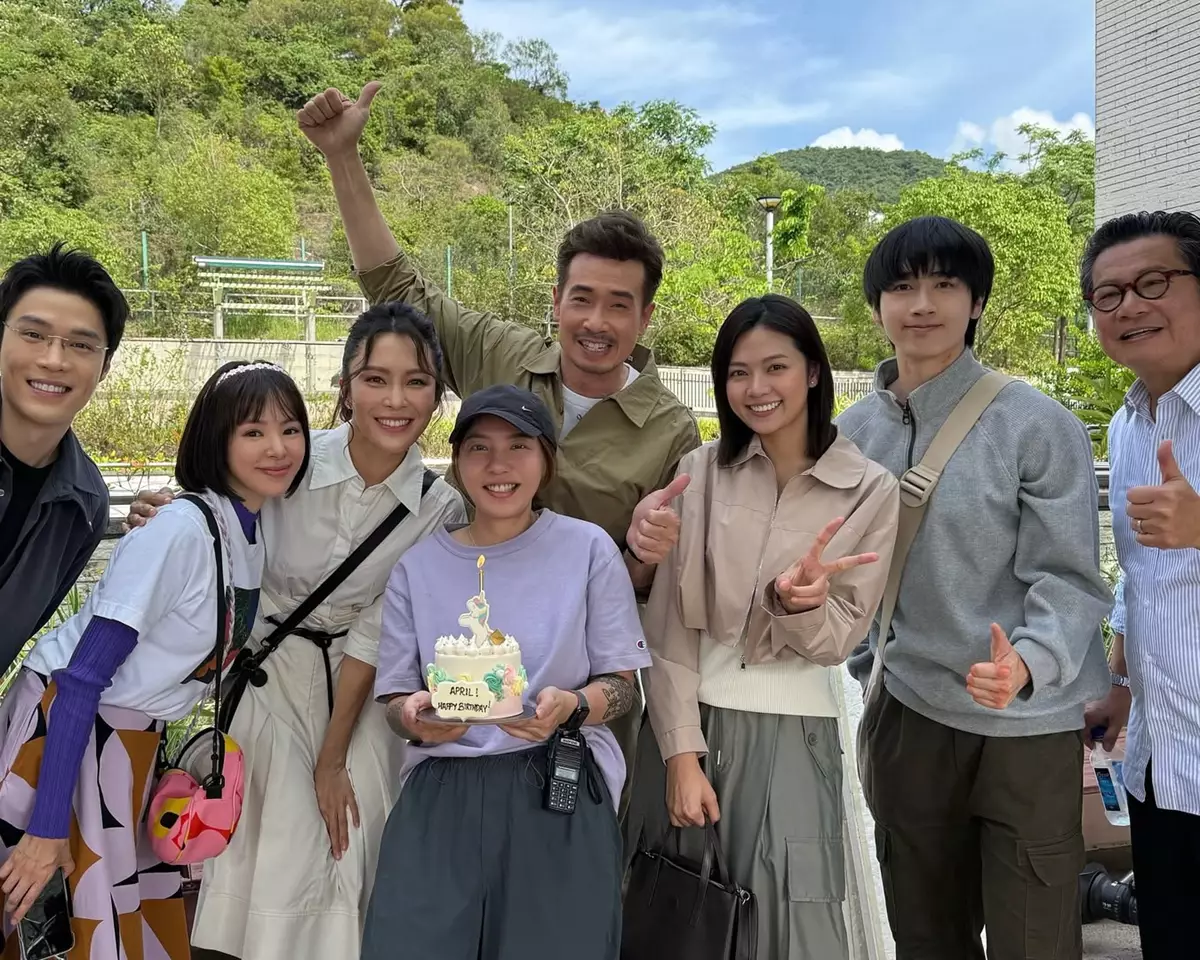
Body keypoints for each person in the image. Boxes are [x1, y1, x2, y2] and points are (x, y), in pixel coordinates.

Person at [295, 83, 700, 821]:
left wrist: (645, 553)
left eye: (619, 305)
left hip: (573, 713)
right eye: (582, 298)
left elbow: (650, 593)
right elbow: (396, 286)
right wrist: (342, 156)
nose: (597, 321)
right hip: (457, 704)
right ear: (557, 300)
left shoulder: (670, 430)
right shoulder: (505, 356)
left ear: (646, 317)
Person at [125, 305, 466, 960]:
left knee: (353, 837)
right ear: (346, 387)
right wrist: (163, 511)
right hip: (265, 674)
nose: (396, 400)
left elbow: (377, 632)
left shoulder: (438, 508)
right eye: (375, 379)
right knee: (270, 841)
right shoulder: (293, 459)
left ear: (437, 394)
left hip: (356, 688)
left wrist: (332, 757)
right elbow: (216, 515)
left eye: (417, 382)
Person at [839, 215, 1113, 959]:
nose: (922, 304)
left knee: (1034, 939)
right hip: (909, 715)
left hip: (1025, 725)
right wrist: (872, 666)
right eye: (902, 287)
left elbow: (1070, 575)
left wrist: (1027, 662)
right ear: (877, 306)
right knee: (925, 934)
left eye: (944, 284)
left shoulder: (1035, 424)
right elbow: (843, 573)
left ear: (977, 303)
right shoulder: (852, 433)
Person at [0, 360, 309, 960]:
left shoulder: (248, 526)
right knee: (53, 916)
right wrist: (45, 827)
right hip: (67, 734)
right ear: (215, 440)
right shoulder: (180, 531)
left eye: (290, 429)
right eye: (253, 431)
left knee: (121, 923)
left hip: (130, 743)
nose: (277, 447)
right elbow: (81, 676)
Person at [629, 295, 898, 959]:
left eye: (776, 367)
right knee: (681, 921)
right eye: (738, 372)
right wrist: (680, 755)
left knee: (793, 929)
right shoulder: (699, 473)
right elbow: (668, 629)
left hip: (797, 736)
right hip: (693, 726)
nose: (757, 388)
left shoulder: (869, 488)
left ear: (813, 371)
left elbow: (841, 640)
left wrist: (801, 603)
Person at [365, 384, 649, 960]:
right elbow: (394, 700)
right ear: (457, 462)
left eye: (518, 445)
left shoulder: (588, 550)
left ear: (546, 459)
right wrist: (414, 718)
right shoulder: (418, 568)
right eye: (479, 448)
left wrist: (572, 707)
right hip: (441, 790)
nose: (499, 465)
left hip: (557, 782)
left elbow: (623, 688)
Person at [1080, 211, 1200, 959]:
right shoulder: (1130, 425)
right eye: (1108, 294)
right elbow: (1141, 576)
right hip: (1163, 763)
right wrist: (1121, 683)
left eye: (1153, 283)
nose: (1128, 306)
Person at [0, 244, 128, 670]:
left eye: (80, 344)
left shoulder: (86, 506)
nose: (53, 360)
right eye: (33, 335)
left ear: (105, 366)